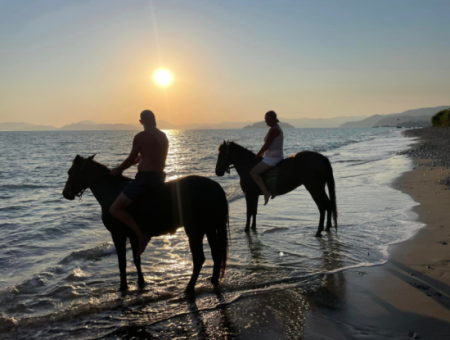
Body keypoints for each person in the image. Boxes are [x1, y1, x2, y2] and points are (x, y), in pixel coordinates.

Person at [109, 110, 169, 258]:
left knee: (114, 209)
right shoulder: (163, 135)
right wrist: (142, 157)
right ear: (154, 120)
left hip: (145, 179)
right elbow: (154, 154)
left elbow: (130, 160)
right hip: (160, 177)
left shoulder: (141, 136)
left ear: (141, 122)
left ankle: (141, 234)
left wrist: (117, 170)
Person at [250, 110, 284, 205]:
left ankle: (266, 192)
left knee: (254, 173)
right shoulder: (275, 128)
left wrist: (259, 153)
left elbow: (267, 145)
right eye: (265, 119)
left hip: (273, 157)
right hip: (272, 155)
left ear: (273, 118)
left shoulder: (274, 129)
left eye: (267, 119)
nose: (266, 121)